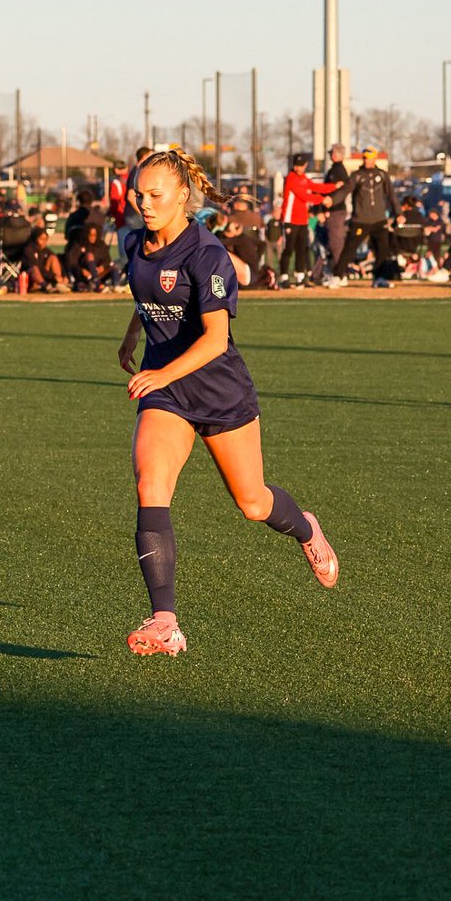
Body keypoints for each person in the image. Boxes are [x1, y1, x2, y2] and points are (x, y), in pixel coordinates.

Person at [118, 147, 338, 657]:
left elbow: (215, 339)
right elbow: (145, 294)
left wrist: (158, 371)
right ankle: (165, 621)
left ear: (181, 197)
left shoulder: (207, 253)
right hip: (167, 393)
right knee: (150, 483)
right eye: (138, 194)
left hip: (218, 391)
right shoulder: (134, 242)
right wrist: (133, 335)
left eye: (155, 195)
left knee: (253, 502)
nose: (144, 204)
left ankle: (307, 527)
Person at [327, 147, 401, 287]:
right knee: (349, 249)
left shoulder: (383, 175)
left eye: (370, 157)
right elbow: (345, 191)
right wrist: (332, 200)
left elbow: (391, 195)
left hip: (379, 220)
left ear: (375, 159)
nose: (368, 160)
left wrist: (399, 213)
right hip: (361, 220)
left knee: (382, 250)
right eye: (366, 157)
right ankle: (338, 276)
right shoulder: (357, 175)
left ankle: (379, 278)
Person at [278, 154, 338, 287]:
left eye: (301, 165)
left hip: (302, 220)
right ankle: (283, 277)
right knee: (289, 249)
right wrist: (323, 199)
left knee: (302, 249)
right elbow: (304, 195)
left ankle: (300, 277)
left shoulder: (303, 178)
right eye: (297, 165)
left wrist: (333, 187)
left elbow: (316, 187)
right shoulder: (291, 178)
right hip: (290, 219)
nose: (299, 168)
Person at [323, 144, 350, 271]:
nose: (330, 156)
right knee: (332, 241)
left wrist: (330, 204)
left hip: (336, 210)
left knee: (336, 242)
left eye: (332, 153)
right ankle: (333, 269)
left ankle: (340, 271)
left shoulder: (338, 170)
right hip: (333, 210)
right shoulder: (334, 169)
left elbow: (343, 189)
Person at [20, 226, 71, 293]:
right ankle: (46, 286)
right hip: (30, 277)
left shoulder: (46, 251)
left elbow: (58, 263)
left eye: (45, 239)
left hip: (46, 275)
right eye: (41, 239)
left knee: (53, 258)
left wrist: (64, 276)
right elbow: (36, 267)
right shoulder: (29, 250)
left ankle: (59, 284)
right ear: (35, 238)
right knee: (34, 269)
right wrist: (53, 276)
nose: (43, 242)